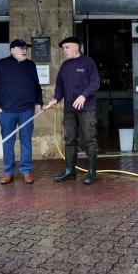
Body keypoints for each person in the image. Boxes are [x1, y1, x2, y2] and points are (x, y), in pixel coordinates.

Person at [48, 36, 100, 184]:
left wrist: (83, 96)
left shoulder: (88, 62)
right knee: (70, 139)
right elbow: (59, 86)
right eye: (63, 48)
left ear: (76, 47)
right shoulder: (64, 66)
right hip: (69, 110)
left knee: (89, 139)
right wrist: (55, 99)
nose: (64, 50)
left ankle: (91, 173)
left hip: (86, 109)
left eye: (67, 47)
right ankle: (70, 171)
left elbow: (95, 83)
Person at [0, 39, 43, 184]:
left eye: (26, 48)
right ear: (12, 50)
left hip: (26, 110)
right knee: (8, 142)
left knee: (26, 141)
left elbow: (37, 86)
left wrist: (39, 102)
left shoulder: (30, 65)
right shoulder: (2, 64)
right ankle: (8, 172)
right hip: (6, 111)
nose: (25, 50)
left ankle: (26, 171)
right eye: (21, 48)